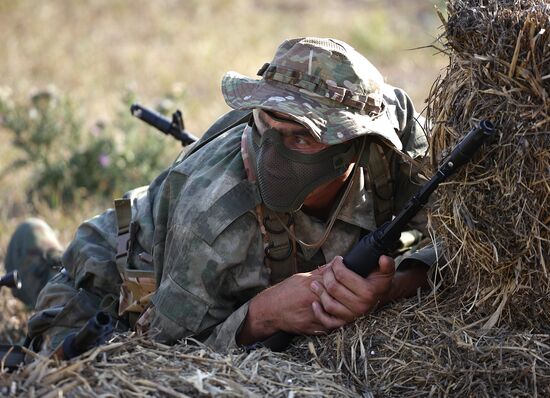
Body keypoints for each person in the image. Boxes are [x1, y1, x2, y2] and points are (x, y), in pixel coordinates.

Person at [25, 37, 437, 353]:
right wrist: (260, 315)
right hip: (120, 271)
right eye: (266, 126)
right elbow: (160, 350)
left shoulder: (393, 137)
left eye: (302, 138)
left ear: (355, 143)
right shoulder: (213, 216)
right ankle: (37, 260)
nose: (272, 155)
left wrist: (393, 286)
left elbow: (465, 242)